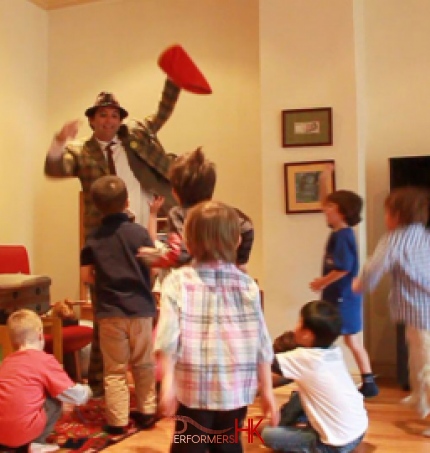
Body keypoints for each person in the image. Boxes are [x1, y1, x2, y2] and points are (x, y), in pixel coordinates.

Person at [44, 45, 211, 396]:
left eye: (114, 115)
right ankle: (102, 385)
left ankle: (152, 379)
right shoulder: (82, 152)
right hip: (105, 240)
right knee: (107, 312)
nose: (109, 121)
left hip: (144, 232)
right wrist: (59, 141)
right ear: (92, 120)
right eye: (102, 116)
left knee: (148, 306)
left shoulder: (135, 135)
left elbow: (162, 112)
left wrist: (175, 78)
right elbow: (55, 167)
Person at [155, 200, 279, 453]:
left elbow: (167, 339)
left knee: (189, 446)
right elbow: (262, 344)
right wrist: (267, 391)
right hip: (236, 390)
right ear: (236, 242)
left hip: (193, 390)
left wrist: (167, 384)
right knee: (228, 444)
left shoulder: (177, 282)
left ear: (188, 242)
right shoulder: (247, 285)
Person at [80, 175, 157, 434]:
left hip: (110, 311)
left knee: (114, 370)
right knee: (143, 363)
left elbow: (86, 276)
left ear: (96, 205)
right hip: (142, 310)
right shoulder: (139, 233)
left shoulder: (92, 238)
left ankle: (117, 420)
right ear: (126, 202)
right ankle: (147, 411)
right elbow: (154, 269)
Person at [353, 186, 430, 434]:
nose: (385, 219)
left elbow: (375, 267)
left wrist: (361, 284)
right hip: (420, 310)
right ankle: (419, 397)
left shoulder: (394, 239)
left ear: (398, 215)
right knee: (417, 356)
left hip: (421, 310)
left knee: (425, 361)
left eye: (386, 213)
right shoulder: (424, 235)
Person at [261, 300, 368, 452]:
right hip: (359, 430)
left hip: (334, 445)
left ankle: (296, 433)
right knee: (300, 395)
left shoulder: (305, 358)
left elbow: (263, 359)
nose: (295, 327)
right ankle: (290, 423)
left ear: (307, 335)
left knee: (267, 434)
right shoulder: (332, 350)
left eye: (299, 322)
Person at [309, 166, 378, 398]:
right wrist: (324, 180)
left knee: (330, 337)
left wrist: (322, 282)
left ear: (342, 212)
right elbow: (325, 202)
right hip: (342, 296)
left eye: (330, 207)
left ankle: (326, 380)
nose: (325, 210)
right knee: (350, 339)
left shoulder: (342, 236)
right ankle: (368, 382)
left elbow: (343, 268)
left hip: (341, 297)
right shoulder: (341, 231)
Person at [146, 147, 254, 272]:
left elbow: (181, 252)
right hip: (224, 276)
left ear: (174, 192)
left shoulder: (178, 214)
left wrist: (157, 259)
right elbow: (247, 227)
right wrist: (240, 261)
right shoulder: (223, 213)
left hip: (193, 279)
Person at [0, 309, 91, 452]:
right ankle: (36, 442)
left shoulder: (6, 362)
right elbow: (75, 395)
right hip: (22, 434)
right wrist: (87, 390)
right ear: (40, 335)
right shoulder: (44, 360)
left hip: (2, 435)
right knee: (54, 398)